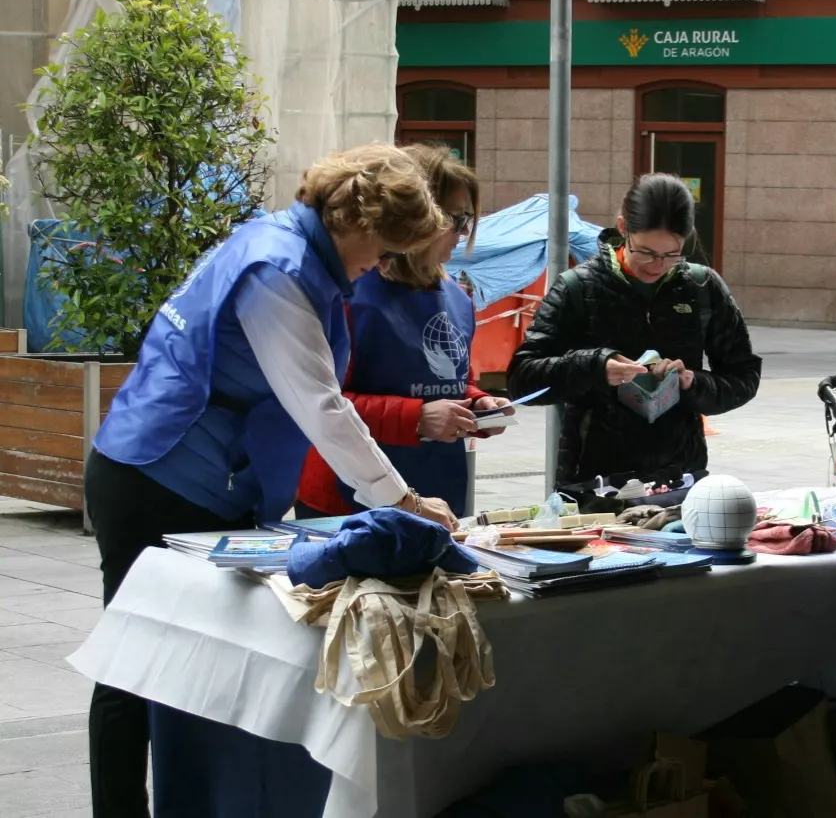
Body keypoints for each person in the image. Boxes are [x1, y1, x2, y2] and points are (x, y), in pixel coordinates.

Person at [82, 144, 454, 818]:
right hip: (154, 475)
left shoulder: (292, 249)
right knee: (133, 667)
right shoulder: (276, 269)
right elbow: (320, 405)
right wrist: (401, 499)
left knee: (204, 662)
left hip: (214, 483)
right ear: (359, 224)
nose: (380, 265)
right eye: (384, 250)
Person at [293, 145, 514, 520]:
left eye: (469, 221)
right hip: (348, 498)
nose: (462, 234)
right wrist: (415, 416)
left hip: (439, 490)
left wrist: (479, 405)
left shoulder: (457, 298)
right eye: (455, 219)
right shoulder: (351, 292)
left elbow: (455, 381)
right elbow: (319, 403)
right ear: (416, 216)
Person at [507, 173, 761, 486]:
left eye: (671, 254)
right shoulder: (577, 288)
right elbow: (522, 380)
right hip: (593, 481)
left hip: (679, 477)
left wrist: (692, 383)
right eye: (646, 252)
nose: (657, 265)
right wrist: (596, 366)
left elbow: (744, 376)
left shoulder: (701, 287)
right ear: (624, 228)